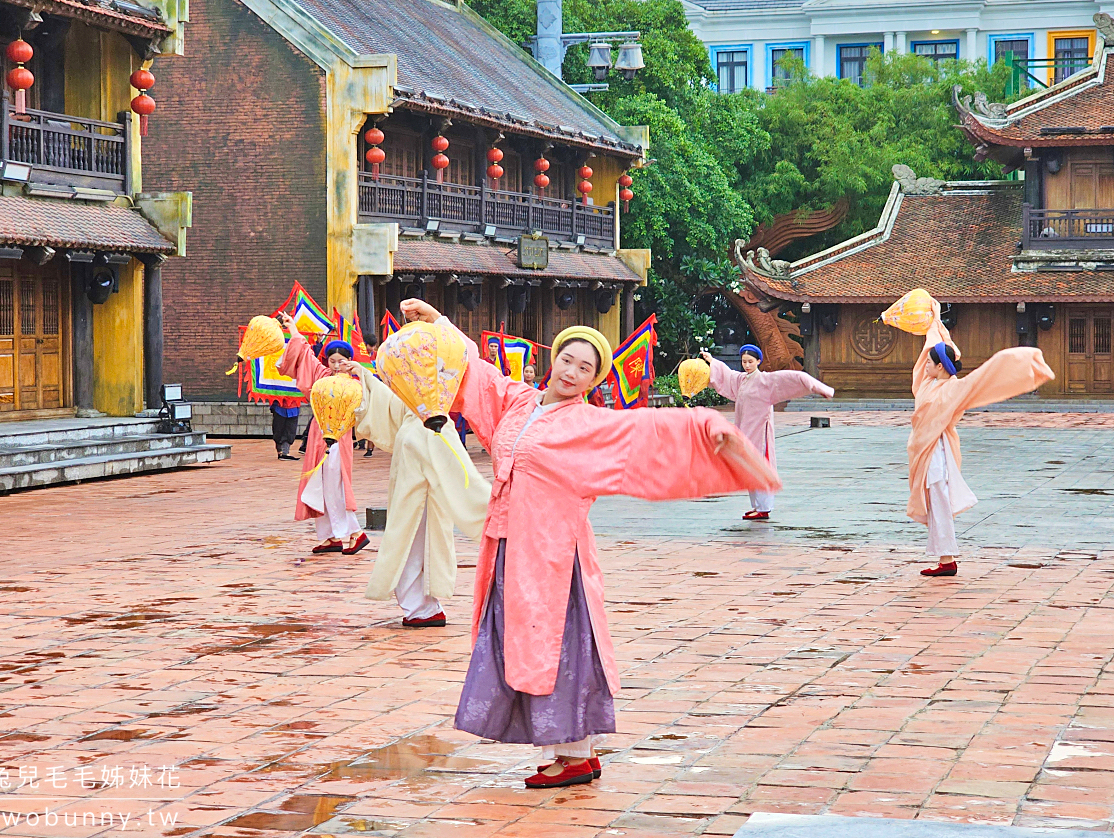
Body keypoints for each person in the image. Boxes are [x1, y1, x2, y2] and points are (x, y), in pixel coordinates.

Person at [399, 298, 778, 790]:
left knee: (560, 645)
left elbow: (644, 437)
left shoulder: (585, 424)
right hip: (512, 546)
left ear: (595, 379)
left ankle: (574, 754)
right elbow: (473, 369)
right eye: (567, 360)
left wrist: (707, 434)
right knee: (525, 641)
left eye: (585, 367)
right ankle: (574, 750)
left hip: (556, 554)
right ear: (551, 360)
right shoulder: (518, 401)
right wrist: (440, 323)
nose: (572, 372)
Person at [907, 296, 1054, 577]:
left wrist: (1014, 361)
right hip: (923, 454)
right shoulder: (927, 384)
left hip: (937, 453)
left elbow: (984, 377)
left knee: (939, 504)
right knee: (934, 505)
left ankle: (947, 560)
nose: (924, 365)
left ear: (940, 367)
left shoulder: (953, 389)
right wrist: (934, 318)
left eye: (930, 362)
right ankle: (944, 558)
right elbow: (933, 344)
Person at [347, 361, 490, 626]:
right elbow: (389, 402)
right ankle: (420, 606)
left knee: (417, 547)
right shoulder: (413, 412)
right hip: (409, 497)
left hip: (424, 500)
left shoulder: (436, 422)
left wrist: (486, 501)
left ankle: (423, 607)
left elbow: (460, 470)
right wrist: (363, 374)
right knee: (411, 546)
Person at [701, 345, 834, 520]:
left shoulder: (766, 381)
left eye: (750, 362)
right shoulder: (742, 379)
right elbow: (727, 374)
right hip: (745, 429)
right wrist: (711, 360)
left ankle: (764, 507)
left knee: (760, 466)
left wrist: (819, 388)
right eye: (744, 362)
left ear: (758, 361)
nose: (747, 365)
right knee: (748, 466)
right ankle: (757, 506)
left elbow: (794, 377)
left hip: (759, 431)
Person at [277, 312, 369, 556]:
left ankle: (355, 532)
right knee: (317, 485)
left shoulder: (355, 383)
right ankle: (329, 537)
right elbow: (304, 354)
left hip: (338, 438)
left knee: (336, 485)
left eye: (341, 360)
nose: (336, 365)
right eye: (332, 360)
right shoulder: (321, 375)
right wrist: (292, 328)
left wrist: (358, 371)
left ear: (349, 360)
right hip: (318, 437)